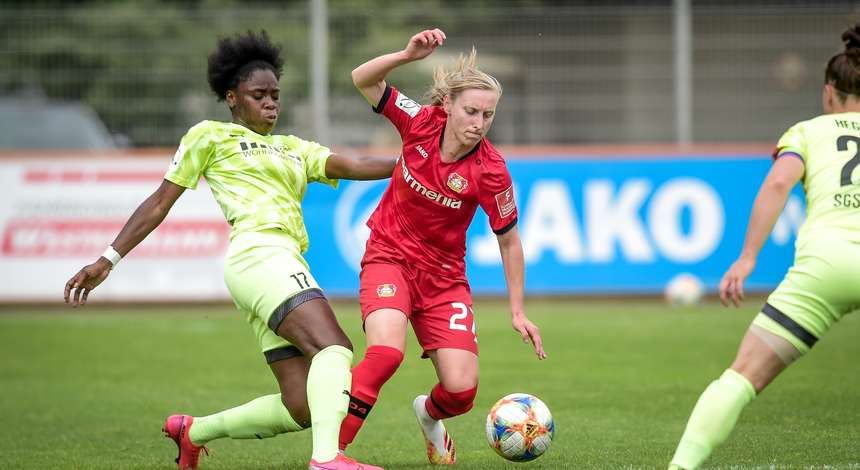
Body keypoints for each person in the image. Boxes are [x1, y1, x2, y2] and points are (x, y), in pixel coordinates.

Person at [62, 30, 393, 470]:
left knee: (302, 406)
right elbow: (160, 201)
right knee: (333, 348)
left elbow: (355, 164)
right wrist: (108, 259)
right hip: (259, 255)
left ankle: (193, 431)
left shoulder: (293, 148)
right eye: (259, 95)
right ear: (232, 98)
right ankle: (327, 460)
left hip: (278, 262)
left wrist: (417, 161)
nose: (270, 104)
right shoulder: (209, 136)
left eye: (275, 95)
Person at [336, 29, 546, 465]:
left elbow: (509, 242)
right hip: (389, 258)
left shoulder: (492, 171)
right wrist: (405, 55)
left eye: (488, 115)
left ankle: (429, 416)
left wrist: (518, 311)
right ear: (447, 105)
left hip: (443, 280)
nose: (478, 123)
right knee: (386, 354)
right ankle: (331, 452)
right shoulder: (420, 122)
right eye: (470, 111)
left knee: (461, 391)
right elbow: (362, 78)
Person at [667, 24, 860, 470]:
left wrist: (747, 258)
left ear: (828, 93)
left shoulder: (807, 132)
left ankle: (680, 467)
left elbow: (777, 183)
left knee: (740, 378)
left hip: (827, 265)